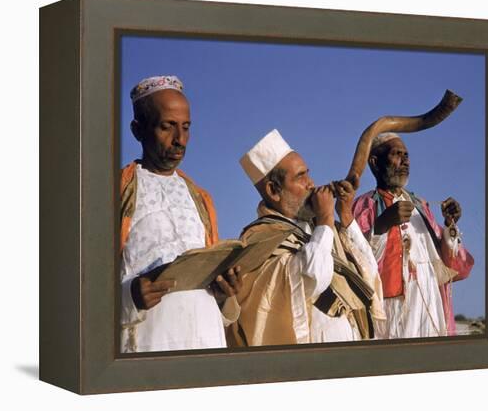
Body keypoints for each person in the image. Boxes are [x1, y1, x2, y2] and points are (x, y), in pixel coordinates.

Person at [229, 130, 386, 347]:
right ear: (274, 191)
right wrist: (325, 220)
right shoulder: (260, 240)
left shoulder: (320, 230)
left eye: (308, 174)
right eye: (300, 177)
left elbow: (369, 271)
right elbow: (313, 277)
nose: (311, 184)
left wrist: (346, 215)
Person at [120, 75, 241, 352]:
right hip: (150, 343)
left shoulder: (200, 198)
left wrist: (224, 293)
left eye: (186, 128)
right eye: (167, 127)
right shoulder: (115, 192)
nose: (180, 140)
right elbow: (84, 282)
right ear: (138, 130)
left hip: (206, 338)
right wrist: (129, 296)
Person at [352, 133, 474, 338]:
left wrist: (449, 225)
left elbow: (447, 263)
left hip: (430, 299)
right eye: (396, 154)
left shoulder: (421, 206)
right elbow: (356, 261)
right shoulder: (364, 206)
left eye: (406, 155)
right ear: (375, 162)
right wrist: (382, 224)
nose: (405, 160)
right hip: (392, 306)